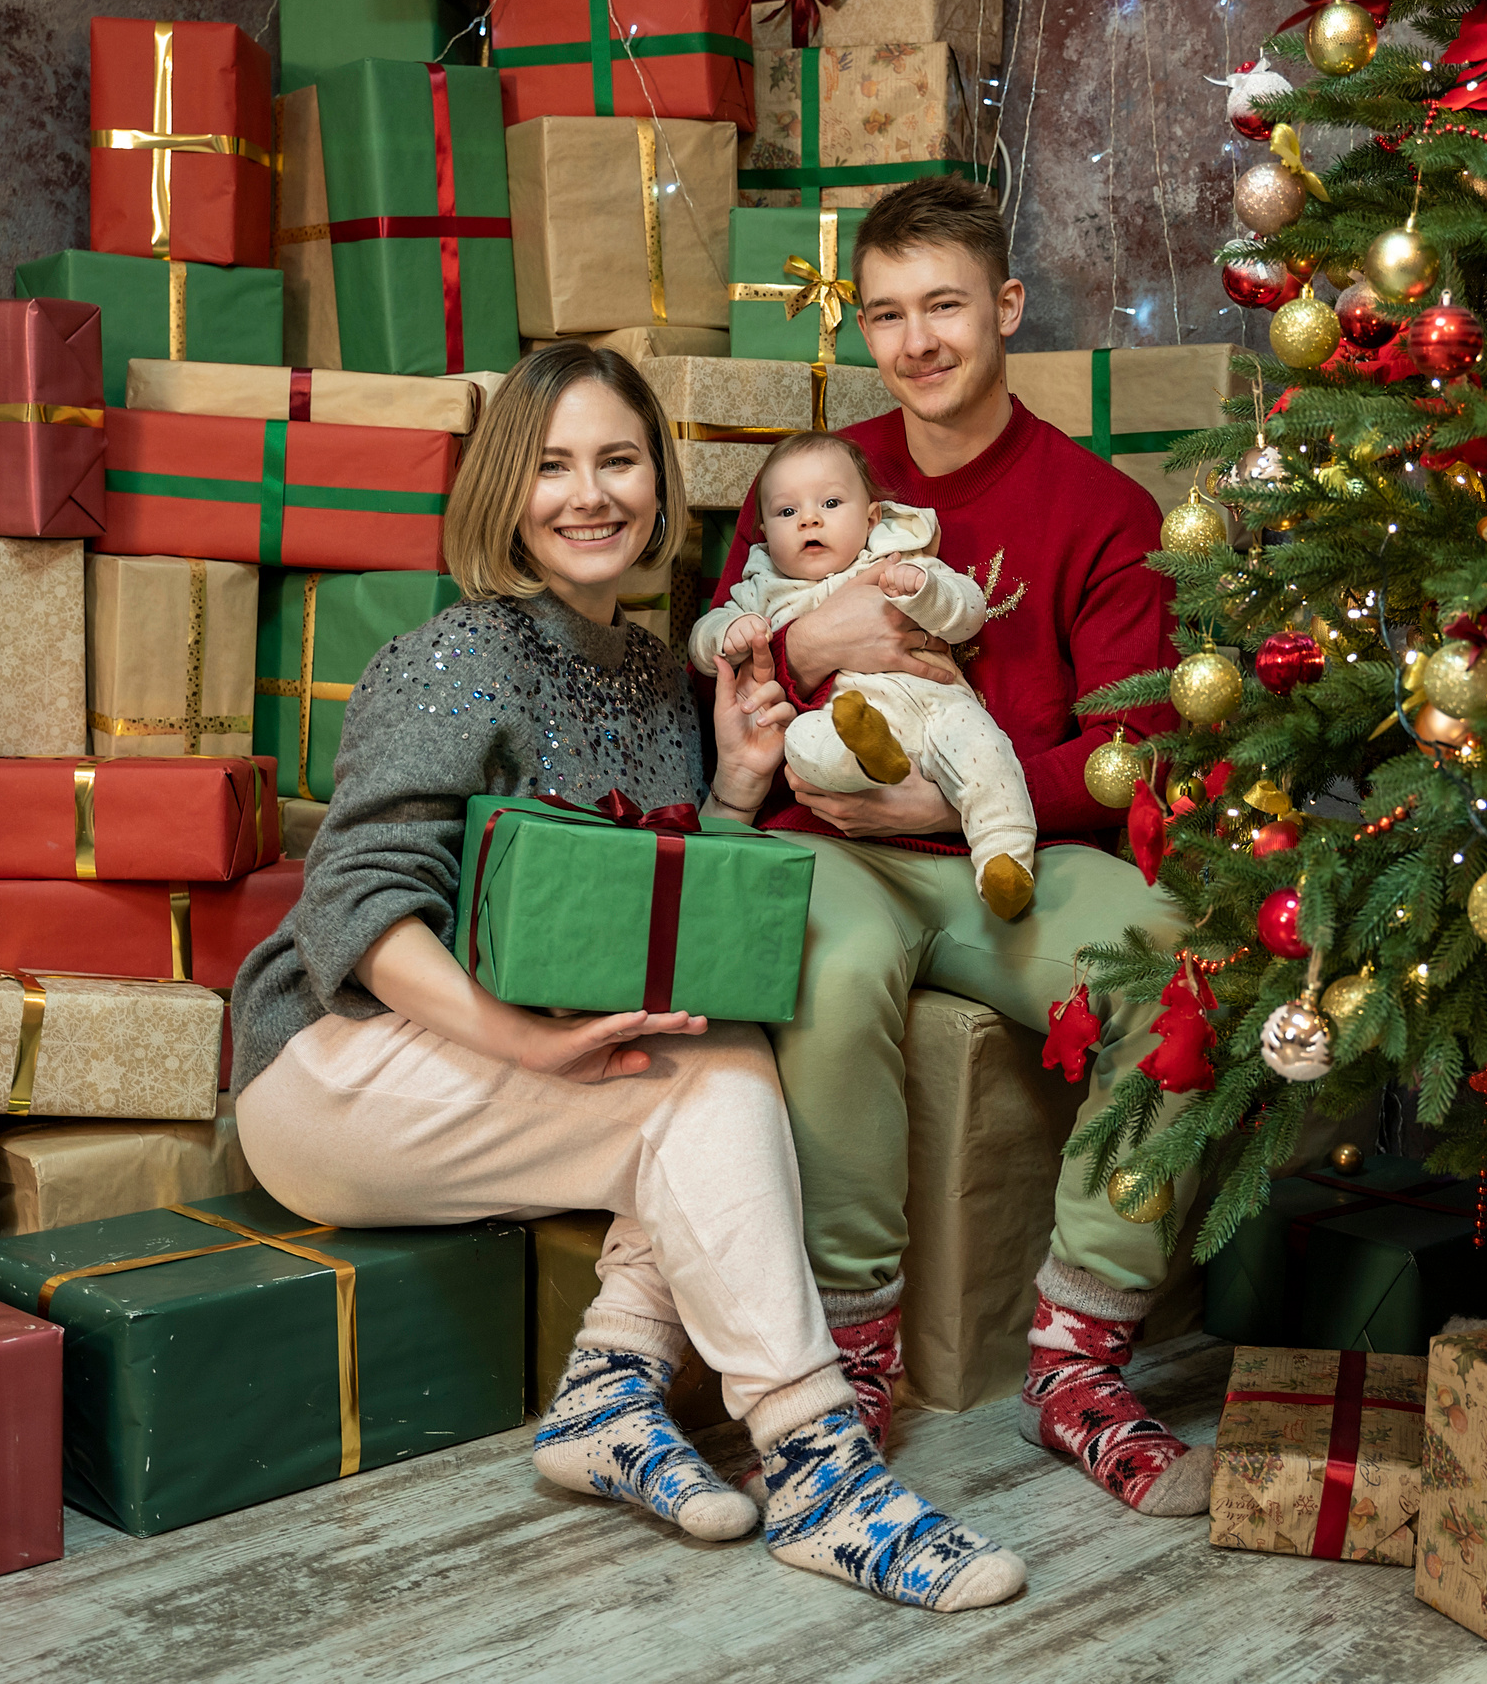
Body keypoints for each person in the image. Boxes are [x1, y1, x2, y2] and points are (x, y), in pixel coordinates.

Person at [229, 342, 1025, 1612]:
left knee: (713, 1040)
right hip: (335, 1068)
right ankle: (821, 1467)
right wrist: (522, 1040)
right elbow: (359, 911)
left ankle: (608, 1391)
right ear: (504, 495)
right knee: (702, 1081)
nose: (587, 494)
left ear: (660, 486)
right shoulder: (453, 654)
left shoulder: (666, 674)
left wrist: (733, 787)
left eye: (617, 460)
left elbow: (655, 921)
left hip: (494, 1066)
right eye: (550, 467)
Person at [714, 178, 1203, 1517]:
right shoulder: (822, 478)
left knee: (1178, 973)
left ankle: (1078, 1355)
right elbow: (732, 643)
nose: (918, 340)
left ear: (1005, 307)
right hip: (838, 841)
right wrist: (813, 641)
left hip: (1012, 843)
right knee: (823, 959)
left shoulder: (1098, 507)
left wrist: (959, 807)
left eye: (944, 306)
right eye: (887, 313)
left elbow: (1131, 748)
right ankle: (850, 1355)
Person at [688, 431, 1036, 920]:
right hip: (848, 720)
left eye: (830, 503)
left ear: (871, 516)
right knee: (805, 741)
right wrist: (727, 633)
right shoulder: (763, 590)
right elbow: (702, 646)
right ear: (764, 530)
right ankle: (867, 760)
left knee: (984, 749)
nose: (809, 518)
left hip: (939, 708)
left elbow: (968, 610)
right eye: (787, 512)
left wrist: (924, 591)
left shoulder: (900, 559)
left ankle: (1004, 859)